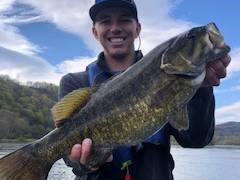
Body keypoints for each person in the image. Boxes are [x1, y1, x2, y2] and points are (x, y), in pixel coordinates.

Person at [57, 0, 231, 179]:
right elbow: (69, 157)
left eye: (124, 19)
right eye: (105, 21)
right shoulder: (74, 83)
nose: (115, 28)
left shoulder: (168, 77)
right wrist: (83, 161)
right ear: (95, 31)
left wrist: (201, 88)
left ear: (138, 28)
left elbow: (196, 140)